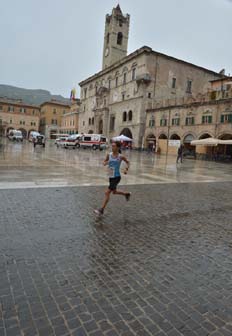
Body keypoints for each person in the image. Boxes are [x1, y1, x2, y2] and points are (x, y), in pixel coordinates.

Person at [94, 142, 131, 216]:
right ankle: (126, 194)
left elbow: (128, 162)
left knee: (107, 193)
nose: (112, 147)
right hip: (110, 176)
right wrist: (105, 162)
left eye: (114, 146)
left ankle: (101, 210)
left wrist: (126, 169)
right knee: (114, 192)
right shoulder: (109, 155)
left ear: (118, 148)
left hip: (116, 177)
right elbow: (104, 162)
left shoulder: (120, 156)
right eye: (112, 146)